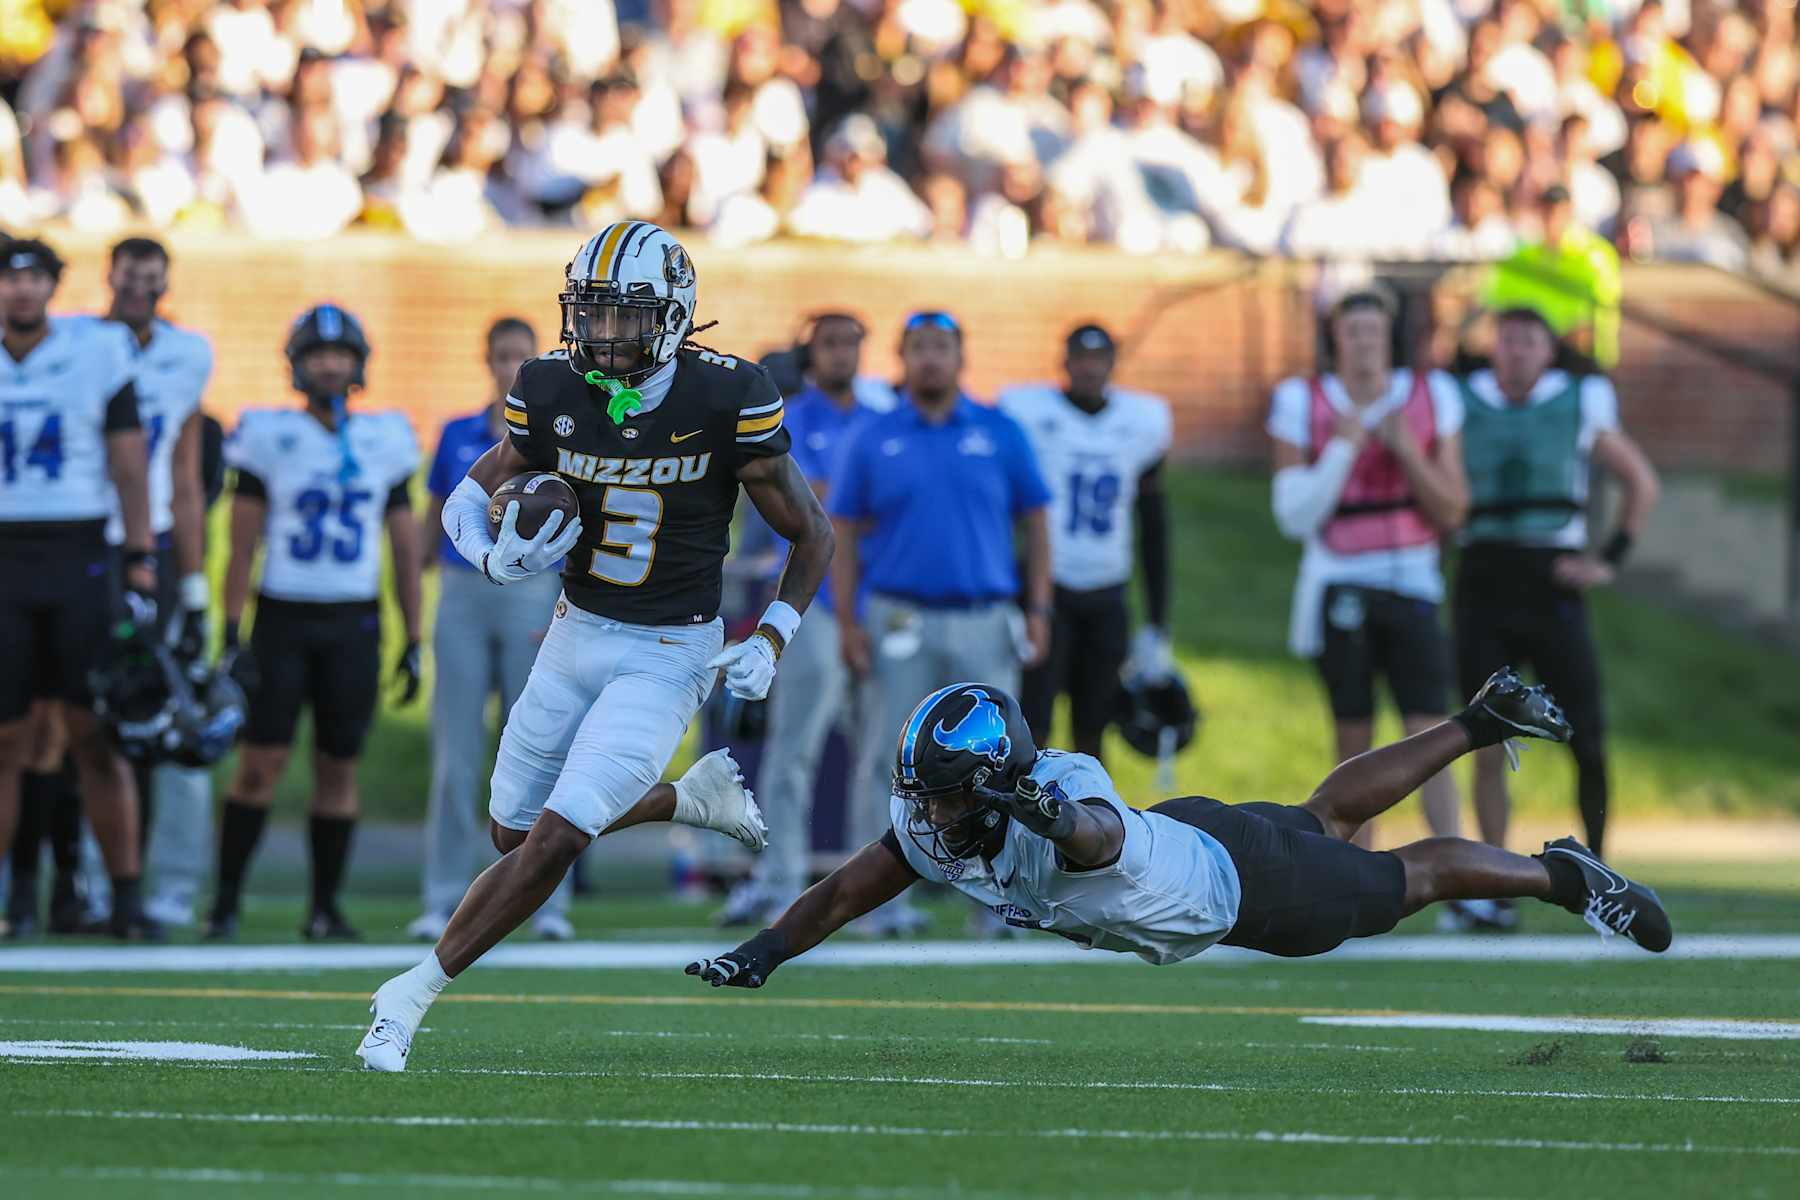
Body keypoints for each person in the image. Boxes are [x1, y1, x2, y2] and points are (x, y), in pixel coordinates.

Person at [356, 220, 835, 1072]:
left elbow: (815, 535)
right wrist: (490, 554)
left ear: (677, 313)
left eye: (627, 315)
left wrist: (774, 633)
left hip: (671, 650)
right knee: (514, 834)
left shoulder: (728, 397)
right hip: (574, 632)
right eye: (593, 313)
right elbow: (469, 495)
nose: (605, 334)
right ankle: (687, 801)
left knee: (559, 837)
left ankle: (409, 996)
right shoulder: (549, 386)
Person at [684, 673, 1671, 989]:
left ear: (996, 785)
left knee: (1402, 882)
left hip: (1237, 891)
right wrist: (764, 952)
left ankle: (1559, 874)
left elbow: (1099, 839)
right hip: (1199, 839)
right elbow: (851, 887)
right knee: (1327, 815)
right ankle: (1482, 719)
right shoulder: (945, 816)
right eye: (927, 798)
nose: (930, 818)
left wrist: (1051, 817)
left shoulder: (1056, 789)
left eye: (946, 798)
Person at [828, 310, 1053, 935]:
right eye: (919, 347)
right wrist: (847, 620)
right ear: (902, 357)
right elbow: (840, 529)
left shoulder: (1000, 430)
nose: (930, 358)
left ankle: (1002, 902)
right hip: (899, 613)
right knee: (884, 755)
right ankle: (877, 902)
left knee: (1002, 761)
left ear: (961, 356)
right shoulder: (873, 436)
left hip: (984, 615)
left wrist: (1038, 607)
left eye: (942, 347)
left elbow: (1036, 520)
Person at [209, 303, 424, 942]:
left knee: (339, 769)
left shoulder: (385, 438)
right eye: (318, 355)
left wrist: (413, 638)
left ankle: (324, 908)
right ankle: (224, 905)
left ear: (359, 365)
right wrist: (229, 631)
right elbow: (241, 544)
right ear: (297, 366)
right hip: (282, 618)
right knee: (259, 766)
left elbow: (405, 549)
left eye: (341, 355)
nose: (330, 364)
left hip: (353, 620)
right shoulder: (268, 435)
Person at [1454, 307, 1660, 891]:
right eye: (1507, 340)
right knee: (1482, 736)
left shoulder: (1579, 400)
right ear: (1494, 348)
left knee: (1586, 733)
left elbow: (1641, 482)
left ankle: (1601, 871)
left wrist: (1607, 560)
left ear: (1549, 351)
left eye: (1529, 341)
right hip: (1483, 574)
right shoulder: (1460, 399)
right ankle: (1489, 882)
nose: (1516, 351)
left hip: (1551, 576)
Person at [1267, 287, 1469, 851]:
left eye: (1374, 332)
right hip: (1341, 582)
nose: (1363, 344)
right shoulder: (1300, 399)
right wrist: (1342, 450)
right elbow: (1292, 515)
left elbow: (1453, 508)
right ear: (1334, 338)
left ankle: (1456, 873)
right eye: (1352, 332)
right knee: (1353, 742)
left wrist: (1407, 449)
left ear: (1390, 338)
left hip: (1414, 581)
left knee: (1431, 734)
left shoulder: (1432, 394)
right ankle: (1356, 874)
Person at [0, 236, 161, 940]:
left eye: (33, 279)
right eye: (9, 280)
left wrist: (139, 555)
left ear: (54, 288)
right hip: (5, 552)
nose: (21, 292)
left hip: (77, 549)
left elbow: (129, 461)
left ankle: (124, 899)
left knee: (95, 734)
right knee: (6, 739)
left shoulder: (96, 351)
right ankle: (15, 899)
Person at [409, 316, 573, 944]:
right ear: (488, 361)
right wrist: (418, 595)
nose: (510, 368)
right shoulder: (457, 432)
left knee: (536, 742)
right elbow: (436, 519)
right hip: (463, 591)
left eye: (521, 358)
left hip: (532, 590)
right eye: (502, 356)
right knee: (456, 748)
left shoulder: (556, 436)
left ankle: (542, 899)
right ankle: (444, 894)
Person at [68, 237, 216, 930]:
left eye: (152, 282)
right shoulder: (77, 344)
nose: (140, 292)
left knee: (169, 711)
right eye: (130, 280)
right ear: (110, 278)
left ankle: (173, 885)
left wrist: (192, 585)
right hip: (73, 539)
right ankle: (87, 883)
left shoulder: (187, 354)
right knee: (76, 720)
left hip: (148, 543)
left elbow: (185, 479)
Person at [718, 311, 877, 926]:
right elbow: (810, 502)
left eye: (851, 342)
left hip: (872, 603)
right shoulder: (789, 419)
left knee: (883, 755)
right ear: (812, 355)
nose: (842, 354)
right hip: (809, 607)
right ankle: (780, 877)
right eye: (830, 344)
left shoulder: (881, 420)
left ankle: (872, 891)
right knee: (794, 751)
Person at [999, 323, 1173, 760]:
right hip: (1047, 590)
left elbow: (1154, 527)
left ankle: (1089, 819)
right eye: (1082, 358)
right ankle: (1023, 819)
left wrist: (1157, 621)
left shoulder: (1141, 422)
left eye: (1100, 359)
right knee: (1031, 722)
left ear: (1113, 364)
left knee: (1094, 726)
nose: (1091, 369)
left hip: (1107, 592)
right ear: (1065, 362)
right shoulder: (1029, 414)